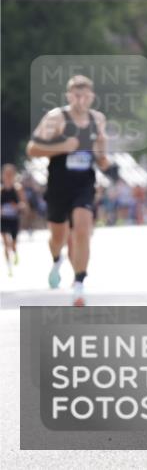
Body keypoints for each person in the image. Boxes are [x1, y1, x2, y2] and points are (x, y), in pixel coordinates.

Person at [26, 75, 111, 306]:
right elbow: (32, 149)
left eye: (85, 95)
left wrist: (103, 157)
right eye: (76, 95)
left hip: (84, 184)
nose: (80, 99)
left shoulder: (98, 120)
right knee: (58, 237)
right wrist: (62, 147)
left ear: (92, 97)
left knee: (83, 228)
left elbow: (103, 160)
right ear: (68, 96)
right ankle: (56, 259)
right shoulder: (56, 118)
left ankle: (79, 284)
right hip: (58, 185)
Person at [1, 164, 28, 276]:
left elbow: (24, 204)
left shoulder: (18, 188)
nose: (8, 176)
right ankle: (9, 267)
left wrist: (16, 206)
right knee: (5, 242)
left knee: (13, 243)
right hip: (3, 219)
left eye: (10, 174)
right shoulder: (1, 190)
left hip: (14, 219)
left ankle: (15, 252)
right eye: (6, 174)